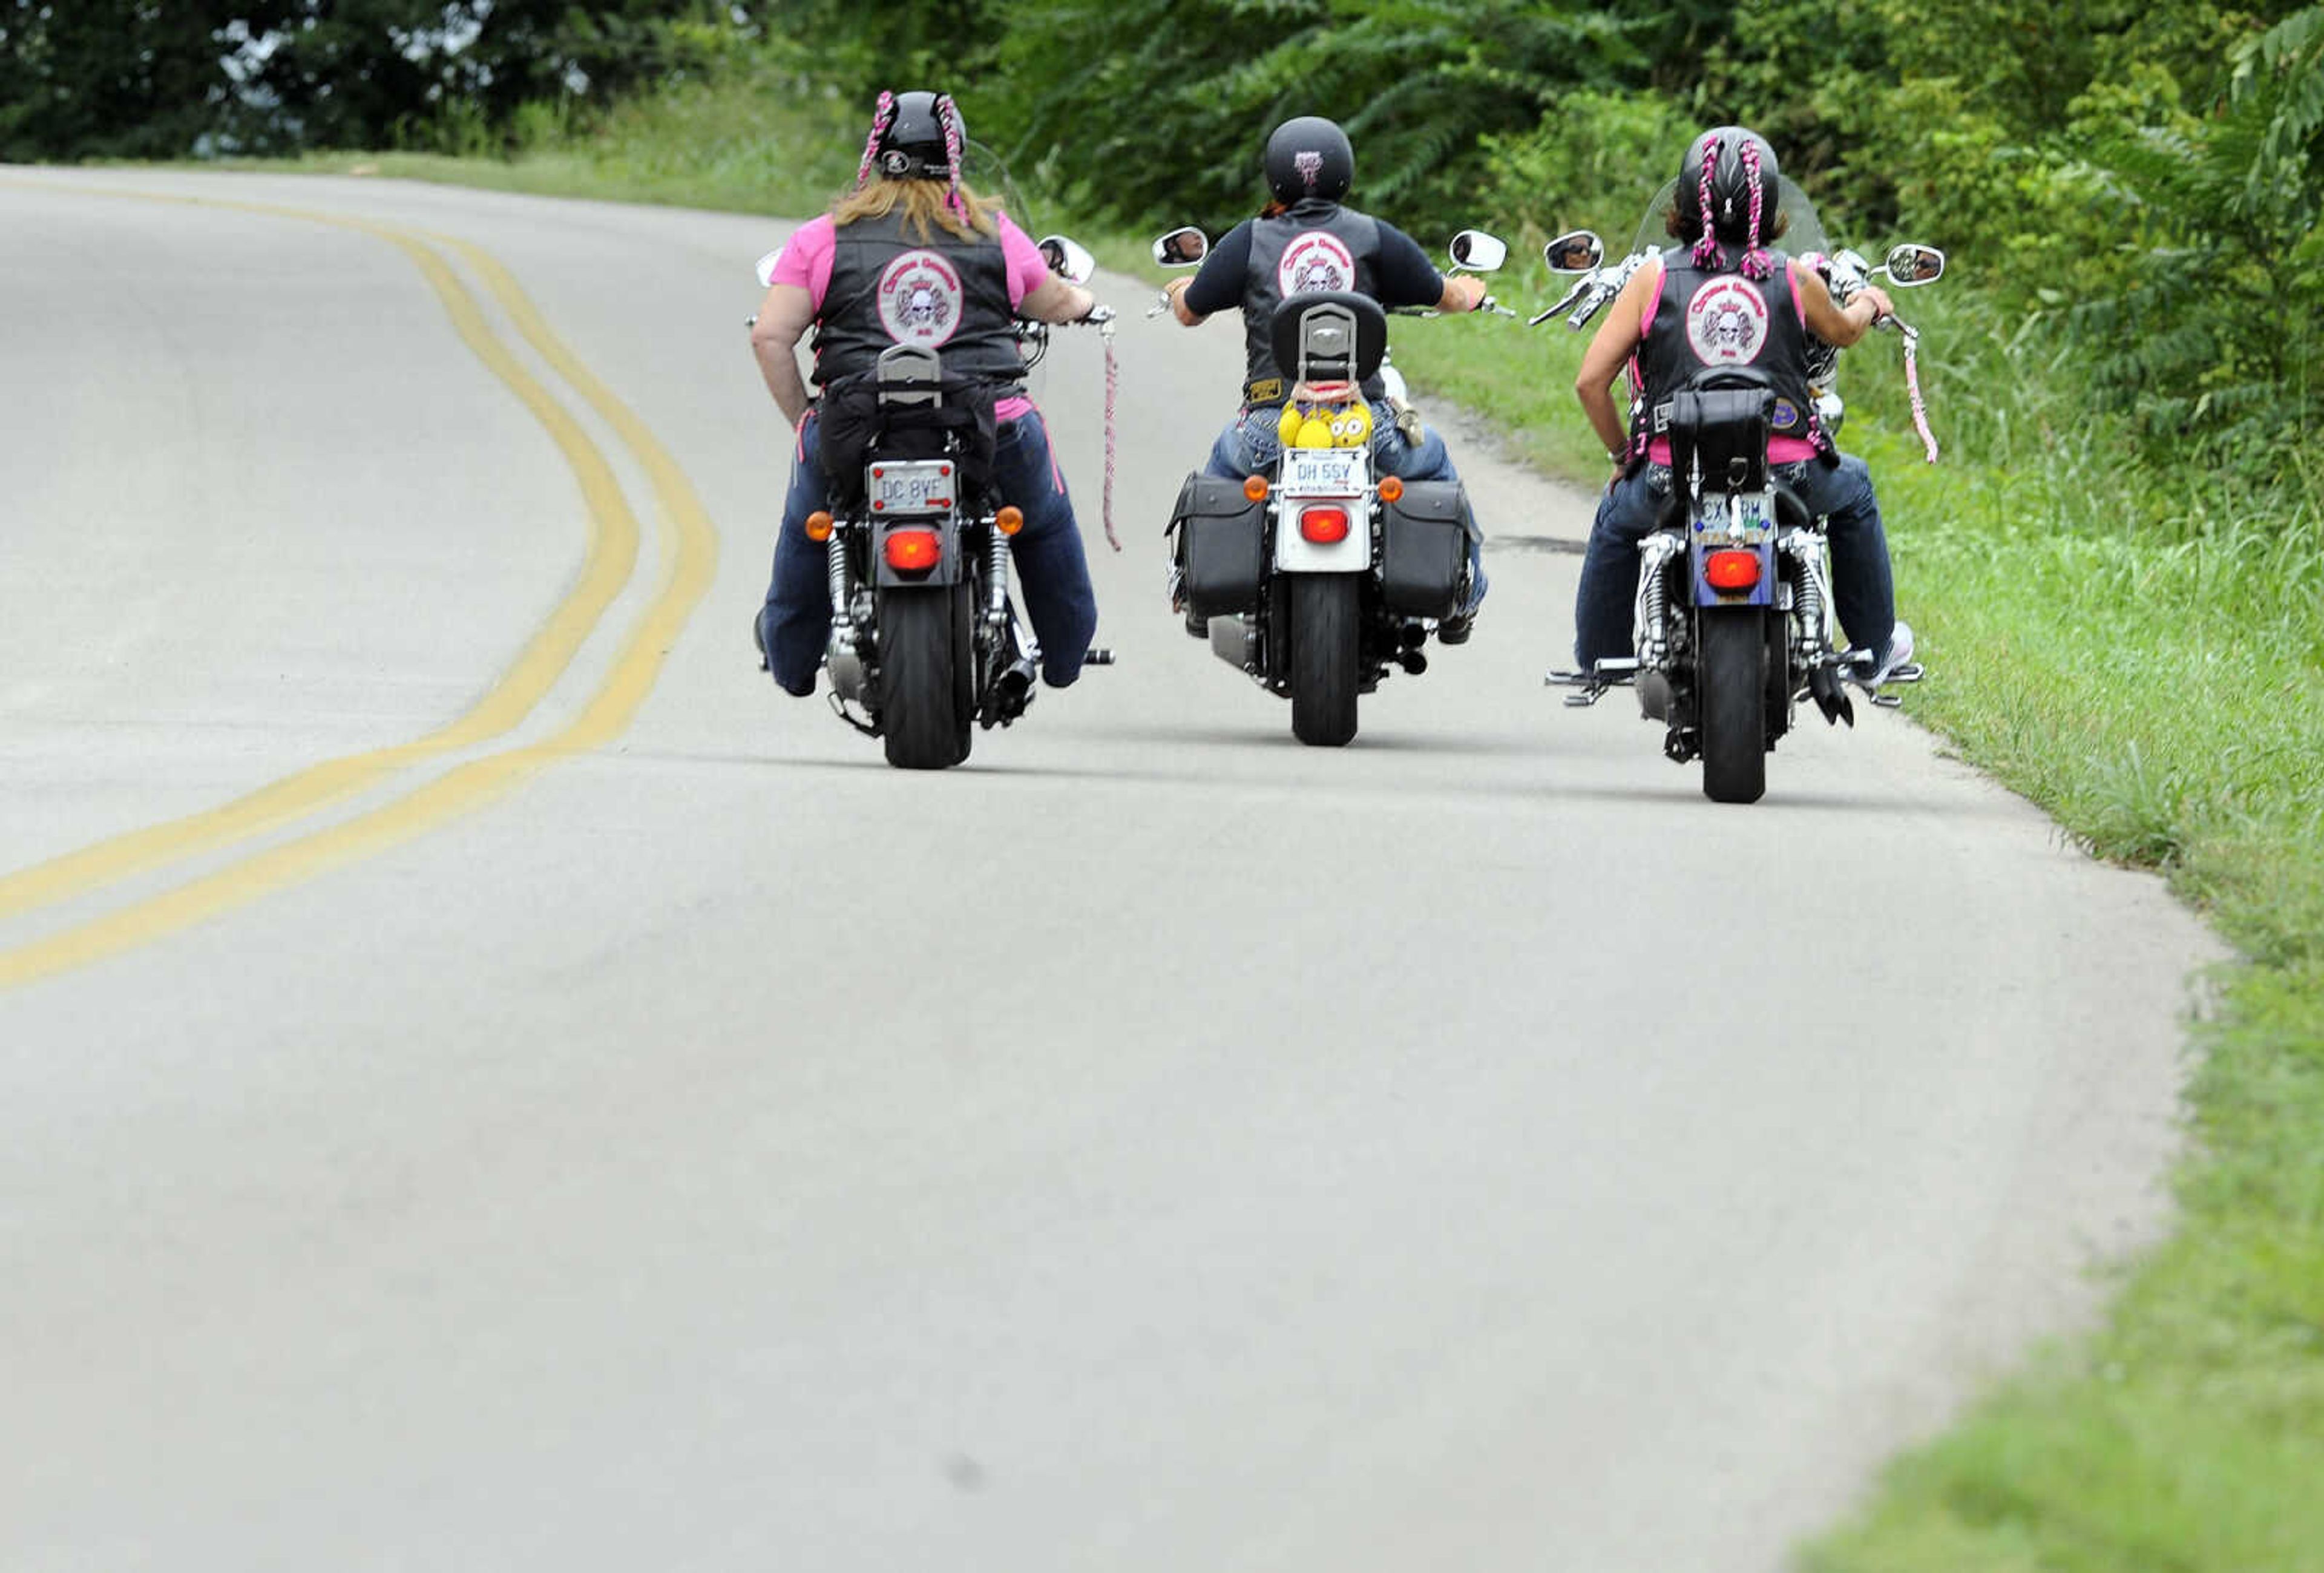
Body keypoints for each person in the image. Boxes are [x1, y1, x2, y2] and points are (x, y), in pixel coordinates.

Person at [749, 89, 1105, 699]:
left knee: (810, 527)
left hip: (857, 426)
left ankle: (791, 658)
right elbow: (1055, 300)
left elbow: (771, 337)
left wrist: (806, 418)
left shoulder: (822, 238)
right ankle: (1066, 653)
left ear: (877, 156)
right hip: (989, 421)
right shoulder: (996, 233)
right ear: (957, 155)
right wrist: (1086, 304)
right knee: (1043, 525)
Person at [1568, 125, 1914, 681]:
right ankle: (1875, 649)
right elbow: (1846, 332)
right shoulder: (1793, 275)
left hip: (1670, 472)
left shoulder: (1653, 277)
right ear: (1770, 202)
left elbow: (1591, 382)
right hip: (1789, 471)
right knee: (1855, 489)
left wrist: (1622, 456)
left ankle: (1602, 659)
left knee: (1616, 518)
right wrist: (1871, 303)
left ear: (1684, 200)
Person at [1163, 115, 1492, 640]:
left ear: (1274, 177)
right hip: (1366, 424)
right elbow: (1445, 295)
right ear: (1345, 172)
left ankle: (1196, 590)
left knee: (1220, 472)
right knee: (1436, 464)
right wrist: (1471, 293)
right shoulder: (1372, 236)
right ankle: (1465, 594)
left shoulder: (1251, 238)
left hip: (1274, 423)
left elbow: (1189, 311)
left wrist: (1182, 287)